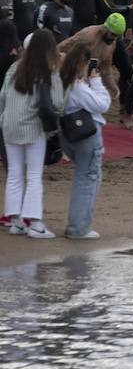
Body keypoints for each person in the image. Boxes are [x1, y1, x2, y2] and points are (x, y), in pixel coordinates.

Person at [0, 29, 63, 239]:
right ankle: (35, 223)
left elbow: (2, 97)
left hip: (9, 126)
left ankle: (16, 221)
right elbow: (57, 104)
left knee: (15, 174)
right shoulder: (49, 71)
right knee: (34, 175)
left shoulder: (14, 68)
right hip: (33, 128)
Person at [57, 42, 109, 240]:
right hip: (86, 135)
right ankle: (79, 228)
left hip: (68, 135)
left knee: (85, 178)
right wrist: (95, 81)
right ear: (85, 64)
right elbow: (102, 104)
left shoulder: (62, 82)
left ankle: (79, 226)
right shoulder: (77, 86)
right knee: (87, 179)